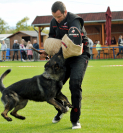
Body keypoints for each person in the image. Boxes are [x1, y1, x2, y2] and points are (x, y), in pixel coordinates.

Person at [41, 1, 89, 129]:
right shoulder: (53, 22)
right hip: (64, 57)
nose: (56, 20)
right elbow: (52, 39)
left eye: (59, 17)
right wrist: (48, 51)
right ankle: (61, 109)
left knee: (74, 84)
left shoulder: (74, 20)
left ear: (65, 12)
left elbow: (73, 42)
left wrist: (58, 53)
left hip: (79, 55)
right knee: (52, 85)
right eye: (54, 17)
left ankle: (75, 119)